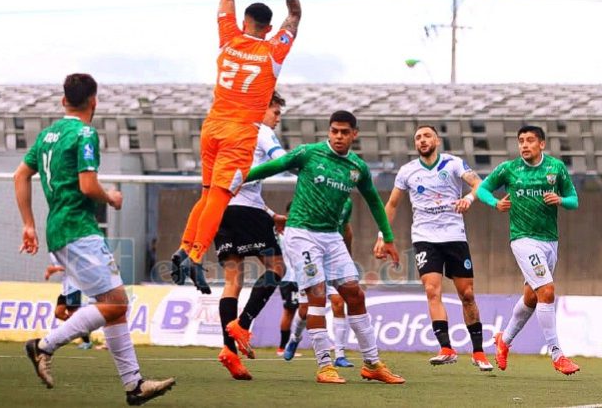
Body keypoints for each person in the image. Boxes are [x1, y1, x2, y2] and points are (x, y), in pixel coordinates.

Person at [14, 73, 175, 405]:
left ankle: (134, 385)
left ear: (63, 101)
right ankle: (44, 346)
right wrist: (111, 198)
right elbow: (88, 186)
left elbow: (21, 175)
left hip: (59, 228)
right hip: (78, 228)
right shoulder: (84, 132)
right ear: (94, 101)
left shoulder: (47, 135)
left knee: (115, 309)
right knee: (117, 303)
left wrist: (28, 224)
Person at [170, 0, 301, 292]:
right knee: (219, 197)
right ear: (269, 27)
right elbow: (296, 15)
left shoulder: (228, 38)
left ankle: (185, 246)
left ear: (245, 22)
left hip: (211, 126)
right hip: (240, 132)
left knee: (206, 192)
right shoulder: (274, 50)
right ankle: (195, 257)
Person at [245, 110, 405, 385]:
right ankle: (325, 366)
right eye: (334, 131)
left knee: (355, 295)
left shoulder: (357, 168)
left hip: (331, 237)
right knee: (317, 294)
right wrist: (236, 179)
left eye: (344, 132)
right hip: (301, 234)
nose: (339, 136)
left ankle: (372, 364)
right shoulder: (309, 153)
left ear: (354, 134)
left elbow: (375, 203)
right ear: (329, 131)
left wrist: (388, 237)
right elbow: (271, 167)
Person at [380, 125, 492, 370]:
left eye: (427, 136)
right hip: (425, 238)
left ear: (437, 141)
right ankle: (446, 348)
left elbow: (479, 184)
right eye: (418, 137)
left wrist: (469, 199)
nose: (422, 140)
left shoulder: (453, 164)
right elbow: (391, 204)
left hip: (454, 236)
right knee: (432, 290)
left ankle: (478, 352)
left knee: (467, 295)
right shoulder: (408, 171)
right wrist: (382, 235)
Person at [477, 125, 580, 375]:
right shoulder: (508, 169)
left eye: (530, 140)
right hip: (522, 239)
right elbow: (482, 189)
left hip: (550, 240)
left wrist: (560, 200)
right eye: (521, 140)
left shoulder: (556, 168)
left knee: (532, 297)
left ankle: (505, 340)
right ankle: (557, 354)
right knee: (547, 290)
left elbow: (574, 200)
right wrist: (495, 203)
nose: (524, 145)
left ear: (541, 144)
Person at [214, 92, 288, 380]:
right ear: (261, 108)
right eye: (275, 111)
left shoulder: (227, 131)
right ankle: (243, 323)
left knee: (233, 281)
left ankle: (229, 351)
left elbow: (233, 180)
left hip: (222, 209)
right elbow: (281, 161)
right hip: (246, 211)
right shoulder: (261, 131)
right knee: (277, 267)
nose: (277, 118)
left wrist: (270, 214)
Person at [283, 198, 355, 369]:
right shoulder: (311, 196)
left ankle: (340, 354)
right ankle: (294, 339)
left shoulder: (346, 202)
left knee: (338, 302)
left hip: (332, 258)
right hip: (311, 258)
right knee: (304, 309)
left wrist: (347, 258)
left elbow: (346, 229)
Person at [45, 261, 92, 349]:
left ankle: (87, 341)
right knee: (58, 313)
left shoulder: (70, 257)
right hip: (64, 291)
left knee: (72, 315)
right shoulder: (56, 256)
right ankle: (80, 328)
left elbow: (67, 267)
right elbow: (52, 267)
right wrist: (48, 272)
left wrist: (54, 269)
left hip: (74, 290)